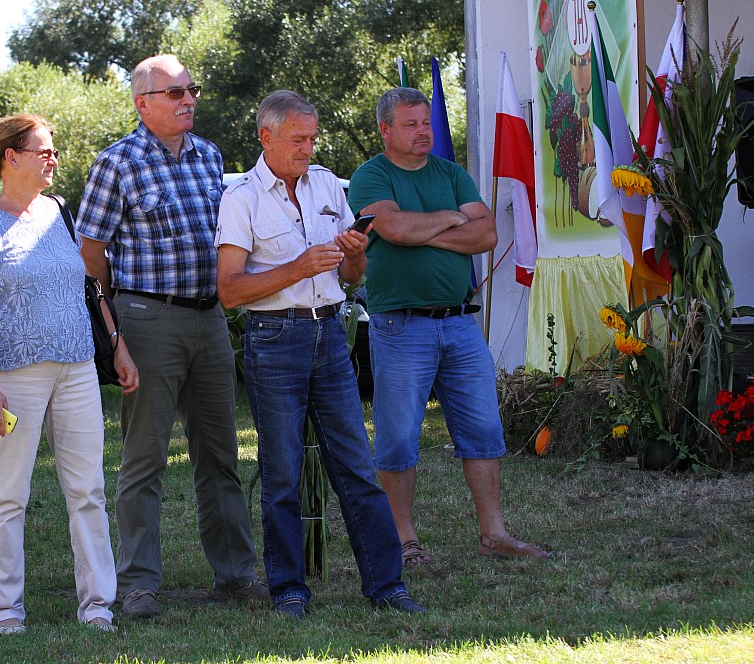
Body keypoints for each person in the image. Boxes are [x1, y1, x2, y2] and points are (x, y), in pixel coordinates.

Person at [216, 90, 425, 618]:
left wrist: (354, 257)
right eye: (297, 139)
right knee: (282, 474)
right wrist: (299, 267)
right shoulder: (241, 198)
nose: (307, 149)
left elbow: (350, 277)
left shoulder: (329, 185)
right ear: (266, 137)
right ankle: (288, 589)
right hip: (273, 339)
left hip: (330, 334)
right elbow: (230, 290)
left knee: (357, 468)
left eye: (312, 138)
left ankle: (387, 585)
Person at [74, 54, 266, 618]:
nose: (189, 100)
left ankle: (236, 574)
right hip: (147, 319)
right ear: (143, 103)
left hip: (210, 319)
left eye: (191, 90)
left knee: (220, 454)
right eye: (176, 92)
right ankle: (138, 584)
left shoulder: (209, 156)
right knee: (145, 458)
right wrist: (116, 323)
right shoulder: (117, 162)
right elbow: (90, 252)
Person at [347, 87, 550, 563]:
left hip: (460, 324)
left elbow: (487, 234)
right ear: (385, 130)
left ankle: (494, 536)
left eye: (426, 122)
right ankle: (403, 541)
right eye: (411, 124)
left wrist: (421, 230)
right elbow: (393, 229)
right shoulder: (371, 176)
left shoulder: (451, 173)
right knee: (399, 439)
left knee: (483, 430)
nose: (424, 131)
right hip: (401, 326)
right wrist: (453, 219)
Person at [0, 114, 138, 635]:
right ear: (10, 157)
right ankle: (4, 610)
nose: (53, 158)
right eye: (43, 150)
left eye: (53, 150)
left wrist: (118, 348)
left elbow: (88, 288)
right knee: (8, 494)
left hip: (77, 370)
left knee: (88, 490)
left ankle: (98, 605)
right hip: (15, 378)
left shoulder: (59, 212)